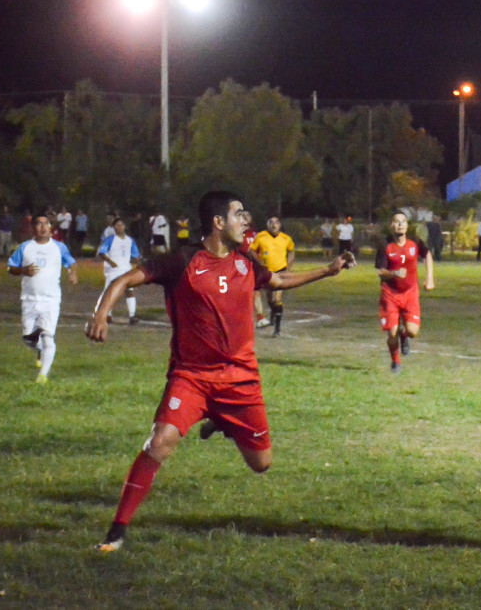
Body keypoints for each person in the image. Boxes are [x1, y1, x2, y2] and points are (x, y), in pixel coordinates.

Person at [87, 190, 355, 553]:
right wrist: (101, 314)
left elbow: (276, 281)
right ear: (217, 222)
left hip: (241, 377)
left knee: (262, 464)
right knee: (159, 443)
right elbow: (122, 280)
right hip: (192, 377)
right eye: (238, 214)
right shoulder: (181, 260)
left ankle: (223, 420)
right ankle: (116, 531)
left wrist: (328, 270)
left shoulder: (245, 260)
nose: (245, 220)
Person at [6, 215, 78, 383]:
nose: (42, 227)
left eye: (45, 223)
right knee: (28, 337)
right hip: (29, 299)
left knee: (48, 336)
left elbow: (71, 263)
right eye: (38, 224)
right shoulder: (25, 247)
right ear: (33, 227)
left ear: (50, 227)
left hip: (51, 299)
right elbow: (10, 268)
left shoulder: (59, 247)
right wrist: (23, 271)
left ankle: (43, 375)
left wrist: (73, 273)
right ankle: (39, 349)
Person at [376, 210, 434, 373]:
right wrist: (393, 273)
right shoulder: (385, 246)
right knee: (391, 333)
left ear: (407, 225)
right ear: (391, 225)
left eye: (403, 221)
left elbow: (427, 254)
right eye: (396, 221)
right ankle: (396, 361)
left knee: (412, 332)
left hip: (410, 293)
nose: (400, 224)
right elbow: (381, 272)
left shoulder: (415, 243)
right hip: (390, 294)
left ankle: (404, 335)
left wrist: (429, 278)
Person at [250, 216, 296, 336]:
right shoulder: (261, 236)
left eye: (276, 223)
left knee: (277, 299)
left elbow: (291, 251)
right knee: (270, 299)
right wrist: (259, 263)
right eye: (271, 222)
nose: (274, 225)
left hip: (281, 271)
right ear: (267, 225)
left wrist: (289, 267)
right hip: (267, 272)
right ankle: (273, 312)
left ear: (280, 225)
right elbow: (251, 250)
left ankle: (277, 328)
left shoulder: (286, 238)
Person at [96, 218, 141, 325]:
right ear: (114, 227)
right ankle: (107, 315)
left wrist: (136, 263)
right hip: (114, 270)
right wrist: (111, 262)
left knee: (129, 291)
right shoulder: (110, 239)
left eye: (121, 225)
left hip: (126, 269)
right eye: (117, 225)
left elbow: (136, 256)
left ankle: (132, 316)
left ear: (125, 227)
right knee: (109, 292)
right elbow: (102, 253)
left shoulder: (130, 240)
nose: (119, 227)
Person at [239, 211, 267, 328]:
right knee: (243, 292)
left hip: (253, 266)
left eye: (247, 215)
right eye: (242, 216)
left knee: (255, 292)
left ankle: (260, 317)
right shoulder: (236, 234)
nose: (245, 217)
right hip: (240, 264)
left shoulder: (256, 234)